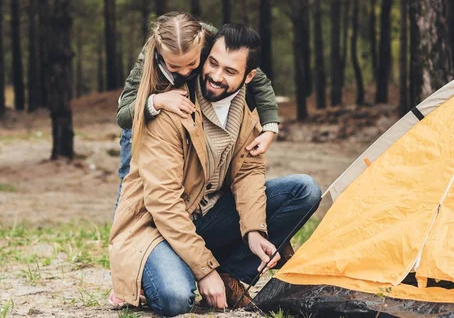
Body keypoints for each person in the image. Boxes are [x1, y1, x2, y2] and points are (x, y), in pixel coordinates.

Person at [108, 22, 321, 317]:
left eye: (230, 72)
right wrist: (203, 269)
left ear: (248, 77)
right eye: (213, 64)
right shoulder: (171, 106)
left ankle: (228, 275)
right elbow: (163, 203)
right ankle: (155, 270)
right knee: (175, 299)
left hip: (206, 217)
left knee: (304, 189)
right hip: (159, 228)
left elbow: (248, 174)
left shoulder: (246, 111)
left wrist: (254, 230)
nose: (216, 76)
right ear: (207, 55)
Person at [114, 13, 280, 211]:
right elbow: (123, 115)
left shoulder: (210, 39)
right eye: (175, 66)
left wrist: (270, 126)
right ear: (160, 53)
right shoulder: (149, 57)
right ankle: (123, 237)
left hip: (183, 122)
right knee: (131, 186)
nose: (185, 72)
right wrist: (157, 101)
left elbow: (258, 79)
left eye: (192, 63)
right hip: (141, 121)